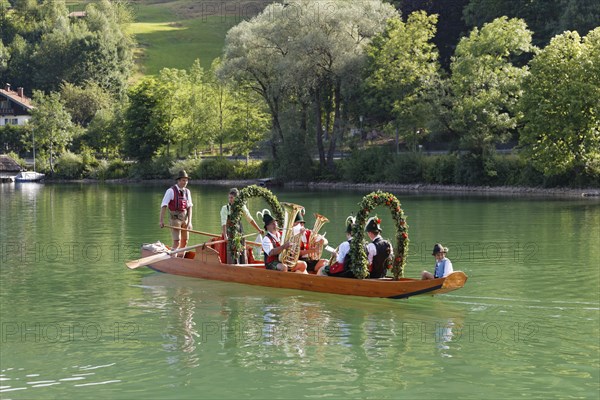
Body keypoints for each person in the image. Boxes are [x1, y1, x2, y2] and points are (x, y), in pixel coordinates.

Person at [220, 188, 263, 264]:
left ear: (236, 199)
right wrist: (225, 235)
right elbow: (223, 223)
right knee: (232, 251)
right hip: (229, 232)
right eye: (229, 198)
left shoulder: (241, 207)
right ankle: (231, 266)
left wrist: (258, 229)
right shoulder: (225, 208)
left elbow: (249, 218)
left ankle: (242, 265)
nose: (230, 200)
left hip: (239, 231)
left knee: (241, 249)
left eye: (232, 198)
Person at [159, 170, 193, 253]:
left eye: (186, 180)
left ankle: (181, 258)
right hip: (175, 220)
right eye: (183, 180)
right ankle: (173, 257)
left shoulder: (187, 192)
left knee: (185, 241)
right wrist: (161, 221)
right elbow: (164, 206)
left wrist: (190, 222)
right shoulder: (170, 191)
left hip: (185, 219)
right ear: (178, 180)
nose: (185, 182)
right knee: (177, 241)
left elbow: (189, 207)